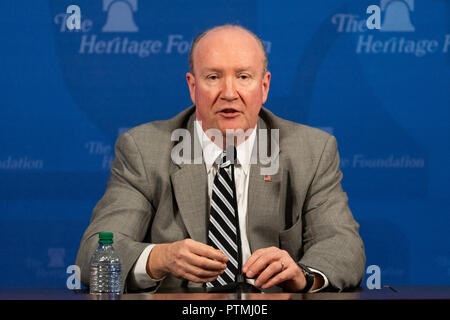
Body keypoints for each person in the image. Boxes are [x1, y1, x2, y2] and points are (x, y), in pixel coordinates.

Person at [76, 24, 365, 293]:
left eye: (243, 77)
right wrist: (158, 258)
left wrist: (303, 275)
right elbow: (95, 253)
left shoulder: (311, 151)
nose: (229, 93)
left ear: (264, 86)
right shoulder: (144, 150)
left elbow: (344, 246)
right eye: (213, 77)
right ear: (192, 87)